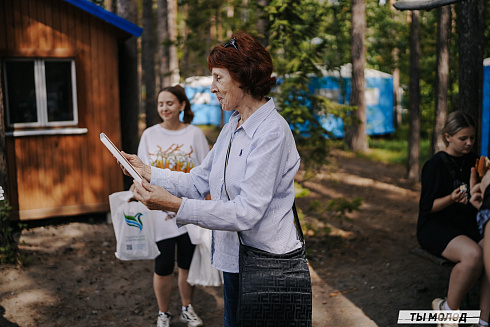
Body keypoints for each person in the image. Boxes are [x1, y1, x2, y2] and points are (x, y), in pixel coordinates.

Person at [121, 31, 303, 326]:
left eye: (219, 78)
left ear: (243, 77)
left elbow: (246, 212)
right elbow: (198, 181)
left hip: (266, 267)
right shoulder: (233, 126)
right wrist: (148, 171)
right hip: (234, 262)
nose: (212, 87)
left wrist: (176, 206)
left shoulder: (271, 132)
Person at [137, 85, 209, 327]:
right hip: (159, 213)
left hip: (189, 211)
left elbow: (206, 175)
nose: (164, 108)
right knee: (163, 265)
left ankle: (187, 308)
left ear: (182, 105)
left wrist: (210, 209)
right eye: (160, 104)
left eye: (169, 103)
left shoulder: (195, 134)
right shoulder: (149, 135)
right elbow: (141, 174)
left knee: (187, 264)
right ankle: (163, 313)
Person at [417, 111, 490, 326]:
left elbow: (482, 196)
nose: (469, 143)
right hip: (436, 226)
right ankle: (447, 311)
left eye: (472, 138)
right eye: (463, 138)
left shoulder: (478, 161)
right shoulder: (434, 165)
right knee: (474, 255)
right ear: (448, 136)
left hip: (466, 225)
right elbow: (427, 207)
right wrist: (451, 198)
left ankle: (483, 320)